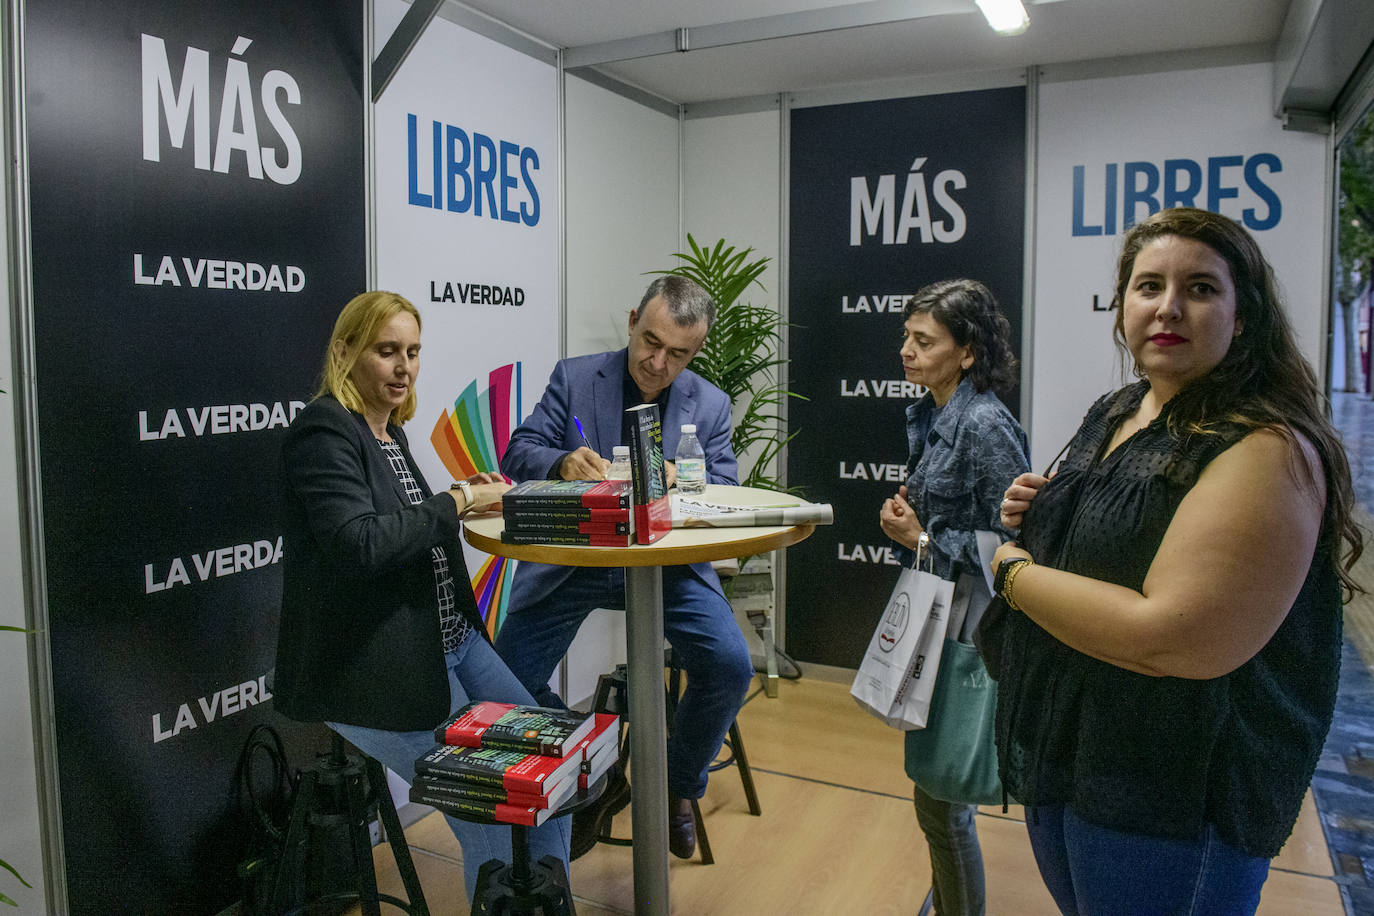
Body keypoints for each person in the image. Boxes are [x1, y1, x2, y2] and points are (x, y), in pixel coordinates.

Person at [987, 207, 1363, 914]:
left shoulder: (1264, 447)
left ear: (1242, 315)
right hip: (1074, 754)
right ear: (1122, 304)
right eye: (1149, 286)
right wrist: (1045, 508)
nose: (1169, 307)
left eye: (1200, 289)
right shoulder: (1123, 407)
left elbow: (1172, 638)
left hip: (1172, 793)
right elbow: (1125, 533)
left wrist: (1011, 572)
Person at [273, 290, 571, 902]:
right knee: (489, 811)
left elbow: (411, 531)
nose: (404, 367)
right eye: (387, 351)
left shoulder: (388, 433)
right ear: (344, 351)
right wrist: (457, 501)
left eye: (412, 351)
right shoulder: (323, 429)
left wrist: (468, 497)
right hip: (374, 666)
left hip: (451, 643)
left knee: (551, 779)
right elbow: (360, 542)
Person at [494, 275, 752, 859]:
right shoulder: (576, 376)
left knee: (730, 667)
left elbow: (726, 487)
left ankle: (676, 787)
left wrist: (682, 482)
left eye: (678, 354)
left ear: (697, 351)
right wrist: (561, 461)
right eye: (650, 342)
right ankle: (598, 764)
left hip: (667, 565)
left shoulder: (708, 403)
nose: (658, 363)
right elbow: (518, 452)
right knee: (506, 675)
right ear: (633, 319)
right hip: (578, 557)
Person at [878, 279, 1029, 915]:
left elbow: (1013, 548)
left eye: (923, 341)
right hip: (942, 615)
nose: (906, 352)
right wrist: (910, 526)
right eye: (906, 338)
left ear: (967, 352)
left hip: (974, 632)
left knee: (942, 802)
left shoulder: (987, 423)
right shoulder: (937, 409)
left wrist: (925, 535)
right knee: (939, 797)